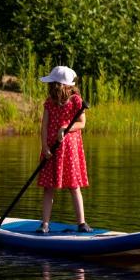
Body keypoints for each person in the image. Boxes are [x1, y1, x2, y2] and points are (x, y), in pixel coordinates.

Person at [37, 65, 90, 234]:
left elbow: (82, 123)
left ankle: (81, 223)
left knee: (74, 186)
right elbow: (44, 126)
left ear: (61, 85)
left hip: (70, 150)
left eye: (53, 84)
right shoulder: (49, 102)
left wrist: (66, 127)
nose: (51, 87)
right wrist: (44, 146)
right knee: (48, 187)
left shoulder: (76, 100)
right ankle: (45, 224)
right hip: (51, 150)